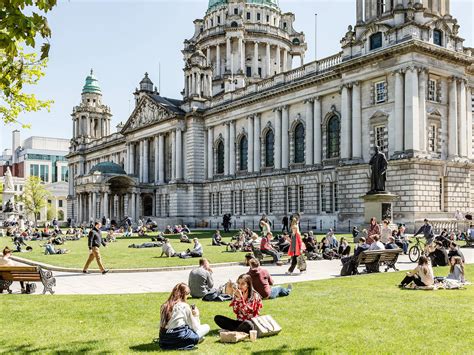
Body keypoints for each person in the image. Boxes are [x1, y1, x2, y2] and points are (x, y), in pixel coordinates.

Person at [158, 283, 210, 350]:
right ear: (184, 295)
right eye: (187, 294)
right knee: (206, 327)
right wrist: (196, 315)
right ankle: (194, 340)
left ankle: (193, 339)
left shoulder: (164, 306)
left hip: (164, 339)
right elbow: (195, 327)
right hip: (179, 337)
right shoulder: (184, 306)